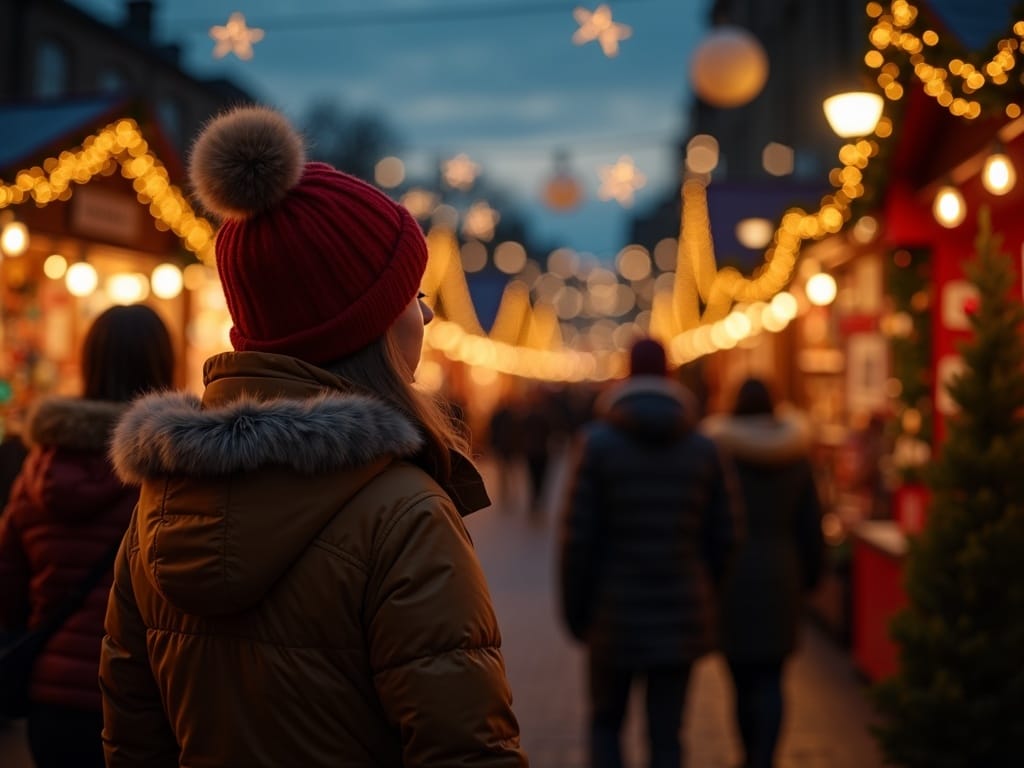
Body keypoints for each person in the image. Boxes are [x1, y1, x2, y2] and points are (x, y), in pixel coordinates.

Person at [99, 105, 526, 768]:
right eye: (409, 293)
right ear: (359, 327)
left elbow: (132, 736)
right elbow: (468, 751)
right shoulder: (402, 514)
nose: (427, 310)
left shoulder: (161, 500)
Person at [0, 304, 174, 768]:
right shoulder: (170, 473)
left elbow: (8, 586)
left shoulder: (38, 470)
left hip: (50, 698)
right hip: (143, 697)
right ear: (163, 365)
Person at [559, 337, 741, 768]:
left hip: (612, 612)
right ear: (670, 375)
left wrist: (577, 613)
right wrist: (702, 589)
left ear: (626, 372)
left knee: (606, 723)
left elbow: (577, 539)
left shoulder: (597, 444)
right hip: (680, 615)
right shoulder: (703, 447)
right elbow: (728, 535)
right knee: (668, 735)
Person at [701, 377, 824, 768]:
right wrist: (810, 577)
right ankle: (765, 758)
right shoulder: (797, 457)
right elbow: (811, 527)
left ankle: (748, 753)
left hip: (733, 577)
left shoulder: (720, 455)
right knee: (773, 677)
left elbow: (709, 523)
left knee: (740, 678)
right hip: (781, 576)